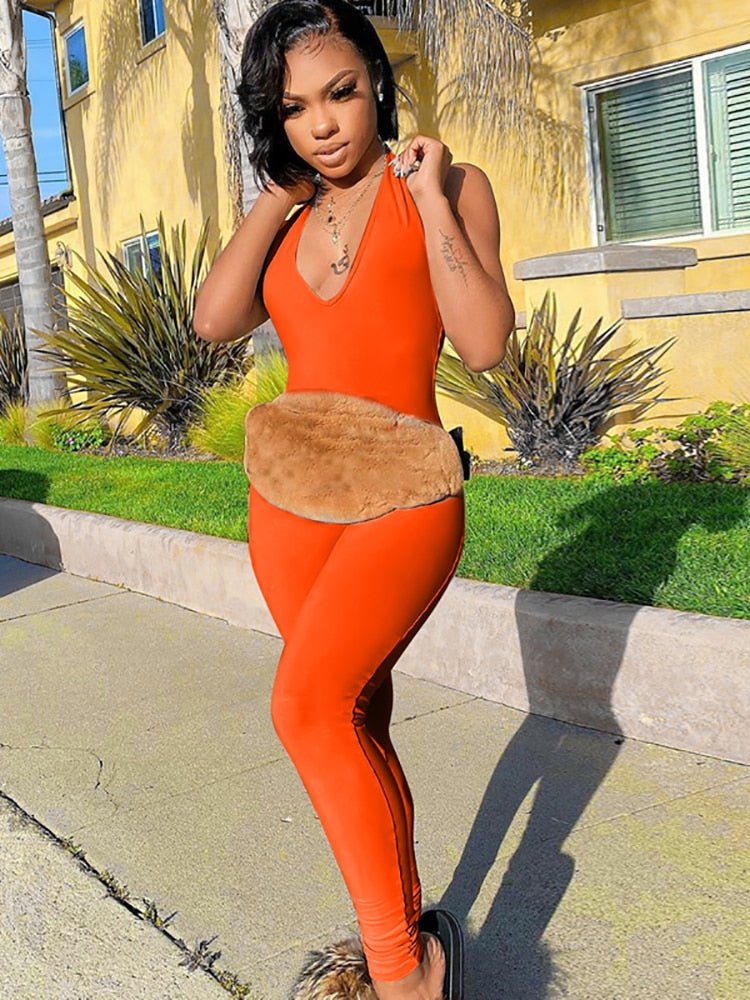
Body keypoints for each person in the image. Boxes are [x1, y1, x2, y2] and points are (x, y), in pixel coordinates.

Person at [193, 2, 513, 997]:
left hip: (406, 490)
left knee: (304, 707)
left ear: (376, 79)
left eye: (339, 92)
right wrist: (270, 198)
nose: (323, 124)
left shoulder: (448, 184)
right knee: (355, 716)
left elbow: (485, 342)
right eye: (293, 108)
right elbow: (213, 318)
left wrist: (429, 197)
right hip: (290, 502)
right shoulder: (289, 216)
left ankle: (400, 975)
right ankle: (406, 932)